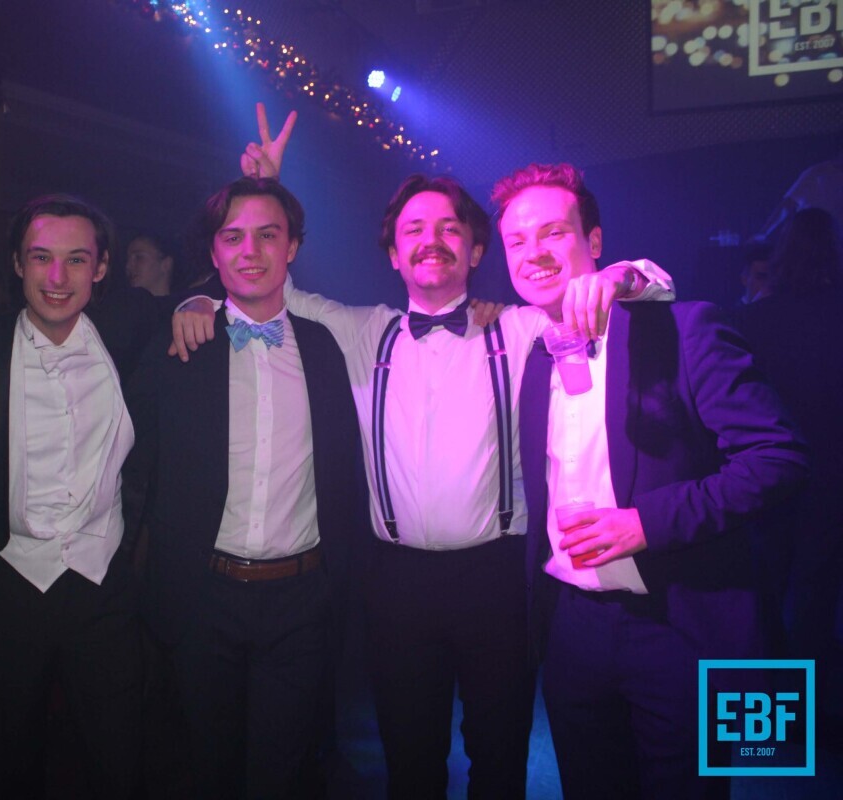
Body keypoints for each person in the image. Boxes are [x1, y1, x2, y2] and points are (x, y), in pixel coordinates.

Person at [172, 104, 674, 798]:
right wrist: (207, 282)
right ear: (393, 253)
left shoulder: (523, 327)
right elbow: (259, 285)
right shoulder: (359, 330)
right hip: (395, 583)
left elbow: (647, 289)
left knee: (500, 761)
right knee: (409, 763)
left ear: (475, 251)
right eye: (413, 230)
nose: (430, 240)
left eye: (448, 229)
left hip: (499, 579)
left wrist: (619, 277)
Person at [497, 162, 809, 799]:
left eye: (553, 232)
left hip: (681, 626)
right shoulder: (535, 360)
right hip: (572, 630)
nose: (534, 253)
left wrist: (647, 523)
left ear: (595, 242)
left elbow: (778, 457)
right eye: (517, 241)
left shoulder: (684, 328)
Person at [125, 176, 364, 798]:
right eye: (232, 237)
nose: (250, 251)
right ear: (214, 252)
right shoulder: (179, 342)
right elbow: (131, 463)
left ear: (293, 248)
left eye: (268, 235)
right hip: (201, 600)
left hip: (301, 603)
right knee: (206, 774)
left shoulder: (327, 347)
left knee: (283, 778)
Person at [0, 194, 153, 797]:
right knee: (12, 763)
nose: (58, 277)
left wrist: (195, 302)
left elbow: (215, 301)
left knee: (120, 762)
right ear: (17, 263)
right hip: (5, 585)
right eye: (41, 257)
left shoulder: (130, 335)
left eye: (76, 259)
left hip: (103, 588)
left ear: (102, 267)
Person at [736, 206, 843, 737]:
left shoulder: (758, 318)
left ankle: (771, 729)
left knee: (765, 598)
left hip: (770, 476)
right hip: (831, 476)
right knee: (818, 602)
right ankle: (819, 724)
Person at [125, 232, 176, 296]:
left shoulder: (184, 302)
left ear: (166, 264)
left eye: (139, 257)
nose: (128, 266)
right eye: (127, 259)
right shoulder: (120, 301)